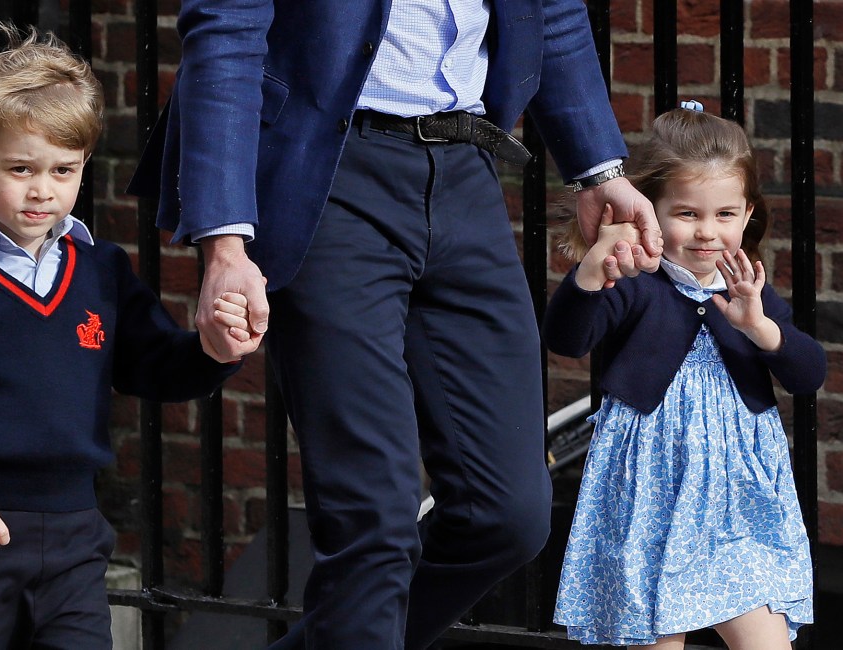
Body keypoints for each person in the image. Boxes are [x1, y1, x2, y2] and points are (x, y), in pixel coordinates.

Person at [129, 2, 664, 648]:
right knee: (372, 528)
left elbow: (550, 9)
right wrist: (224, 244)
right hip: (327, 173)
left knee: (507, 515)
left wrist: (598, 168)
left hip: (465, 169)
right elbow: (226, 30)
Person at [0, 24, 253, 649]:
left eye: (63, 170)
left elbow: (155, 365)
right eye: (20, 167)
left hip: (79, 533)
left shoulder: (103, 271)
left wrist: (212, 351)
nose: (41, 190)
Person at [545, 105, 826, 649]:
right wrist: (591, 268)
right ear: (651, 211)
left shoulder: (750, 292)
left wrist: (761, 329)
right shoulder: (636, 281)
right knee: (653, 635)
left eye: (725, 214)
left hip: (738, 501)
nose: (706, 232)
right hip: (647, 487)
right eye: (687, 213)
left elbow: (809, 372)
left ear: (747, 215)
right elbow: (567, 340)